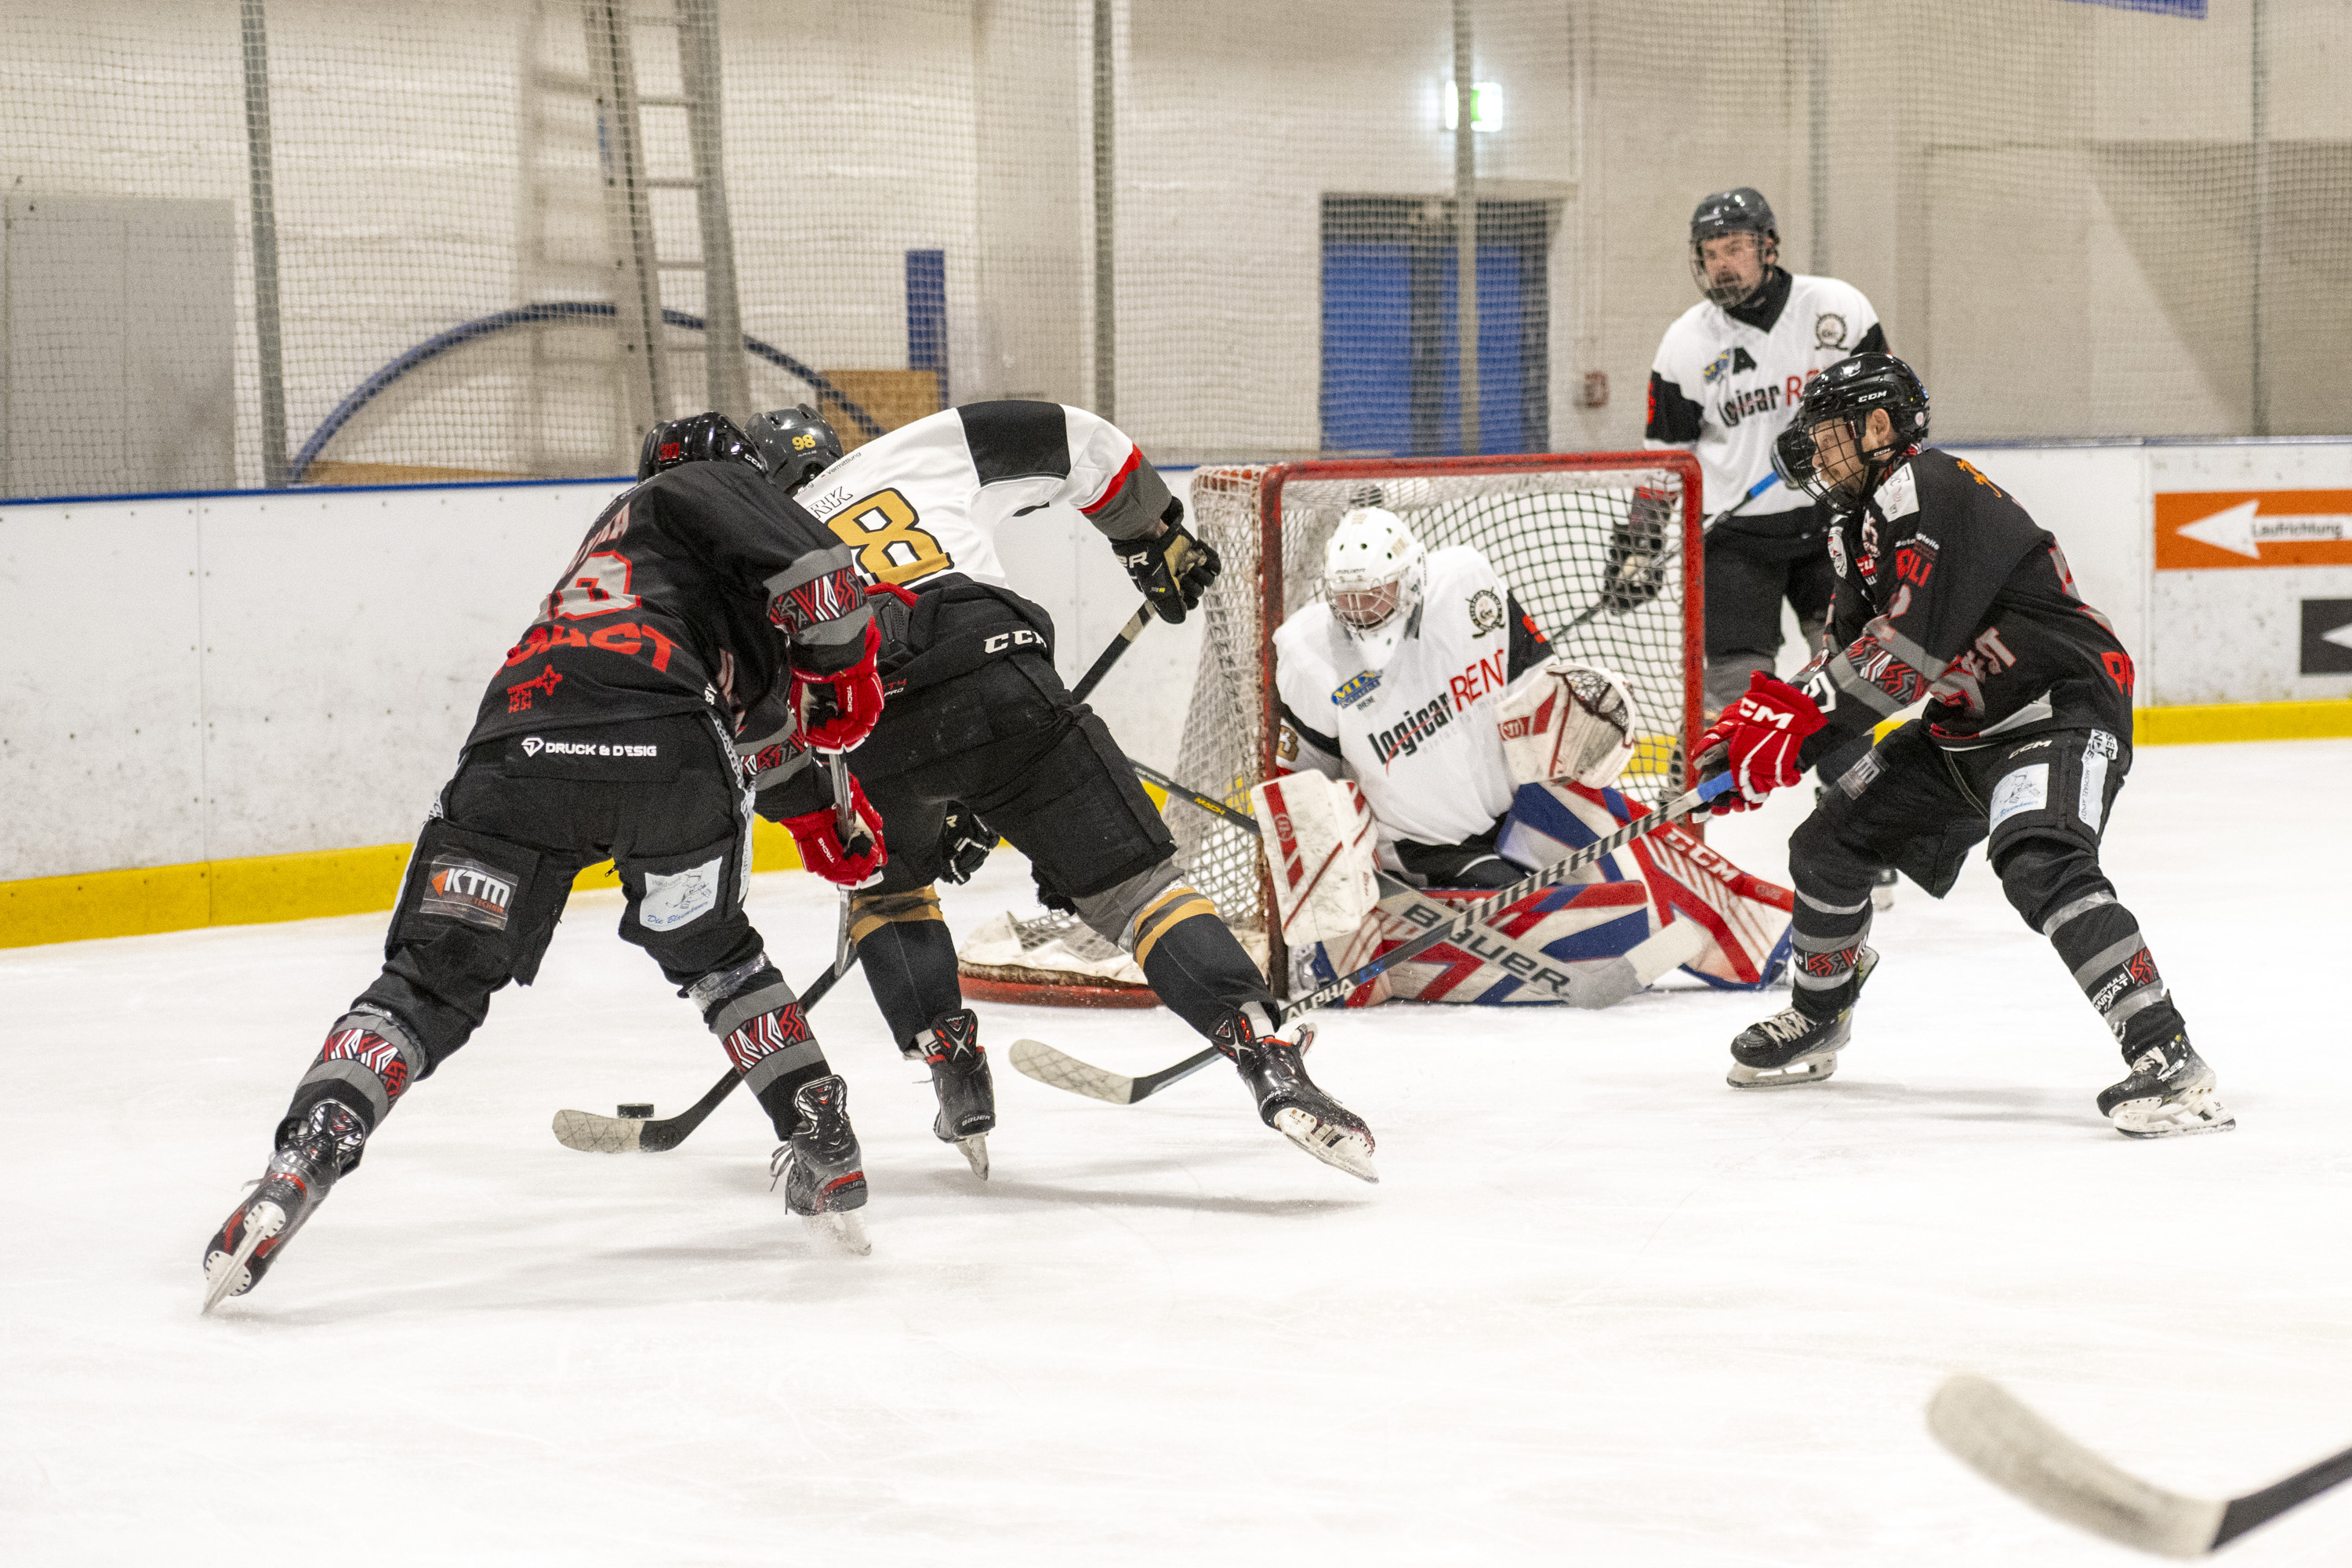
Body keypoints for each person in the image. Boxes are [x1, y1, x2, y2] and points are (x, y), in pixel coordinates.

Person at [201, 415, 892, 1311]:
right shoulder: (704, 489)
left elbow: (755, 712)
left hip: (517, 749)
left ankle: (312, 1148)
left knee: (426, 985)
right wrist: (841, 687)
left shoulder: (617, 549)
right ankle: (821, 1135)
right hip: (671, 759)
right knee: (721, 959)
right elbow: (821, 607)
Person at [736, 400, 1378, 1182]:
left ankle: (951, 1059)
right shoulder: (912, 451)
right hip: (992, 667)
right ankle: (1264, 1053)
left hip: (868, 730)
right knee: (1142, 893)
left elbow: (760, 721)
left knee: (888, 888)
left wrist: (914, 810)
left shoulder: (748, 549)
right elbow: (1084, 439)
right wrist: (1152, 537)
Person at [1696, 353, 2231, 1139]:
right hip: (1964, 731)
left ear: (1880, 427)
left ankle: (2169, 1058)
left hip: (2057, 707)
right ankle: (1819, 1015)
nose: (1818, 450)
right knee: (1829, 842)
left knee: (2039, 860)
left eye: (1830, 432)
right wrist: (1757, 733)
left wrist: (1794, 727)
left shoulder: (1931, 486)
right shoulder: (1854, 529)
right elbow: (1844, 656)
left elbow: (1904, 653)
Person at [1646, 188, 1888, 733]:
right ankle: (1694, 816)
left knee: (1849, 678)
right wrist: (1642, 538)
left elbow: (1886, 414)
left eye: (1734, 248)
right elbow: (1667, 457)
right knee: (1732, 698)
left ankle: (1851, 806)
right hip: (1734, 540)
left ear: (1769, 247)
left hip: (1833, 525)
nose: (1721, 265)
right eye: (1710, 253)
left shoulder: (1838, 310)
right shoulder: (1685, 341)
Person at [1272, 503, 1603, 889]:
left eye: (1376, 593)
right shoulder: (1309, 655)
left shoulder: (1467, 584)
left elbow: (1537, 689)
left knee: (1625, 874)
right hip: (1424, 850)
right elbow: (1304, 783)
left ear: (1411, 578)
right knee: (1549, 913)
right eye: (1347, 597)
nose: (1360, 610)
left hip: (1524, 807)